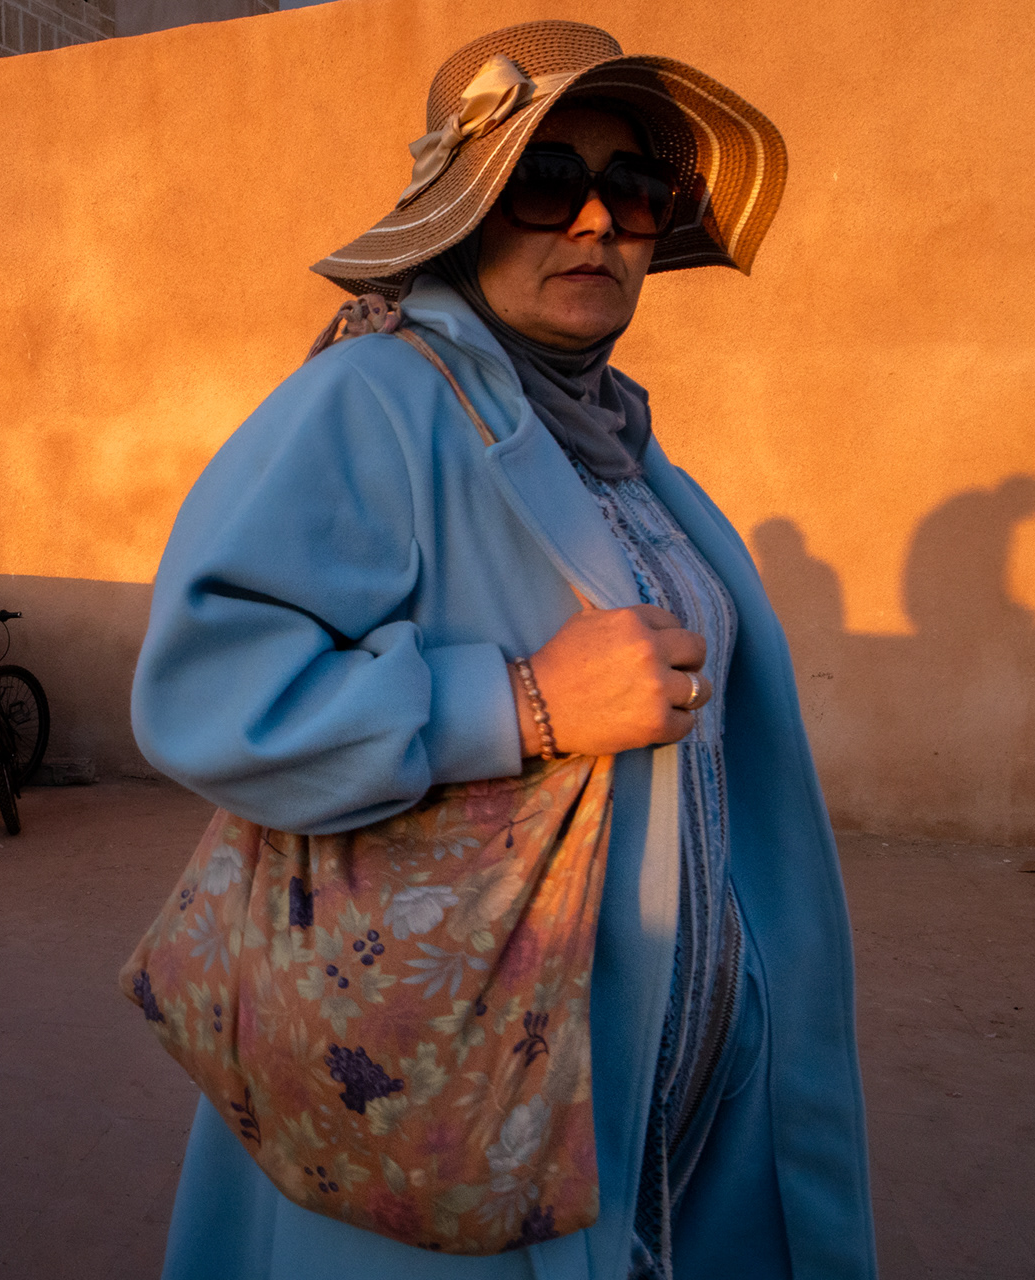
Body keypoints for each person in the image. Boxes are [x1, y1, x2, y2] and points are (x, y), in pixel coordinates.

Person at [130, 20, 875, 1280]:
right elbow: (207, 688)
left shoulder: (618, 444)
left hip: (664, 1126)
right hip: (455, 1106)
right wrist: (522, 701)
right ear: (469, 210)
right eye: (546, 179)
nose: (596, 220)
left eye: (634, 188)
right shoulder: (376, 399)